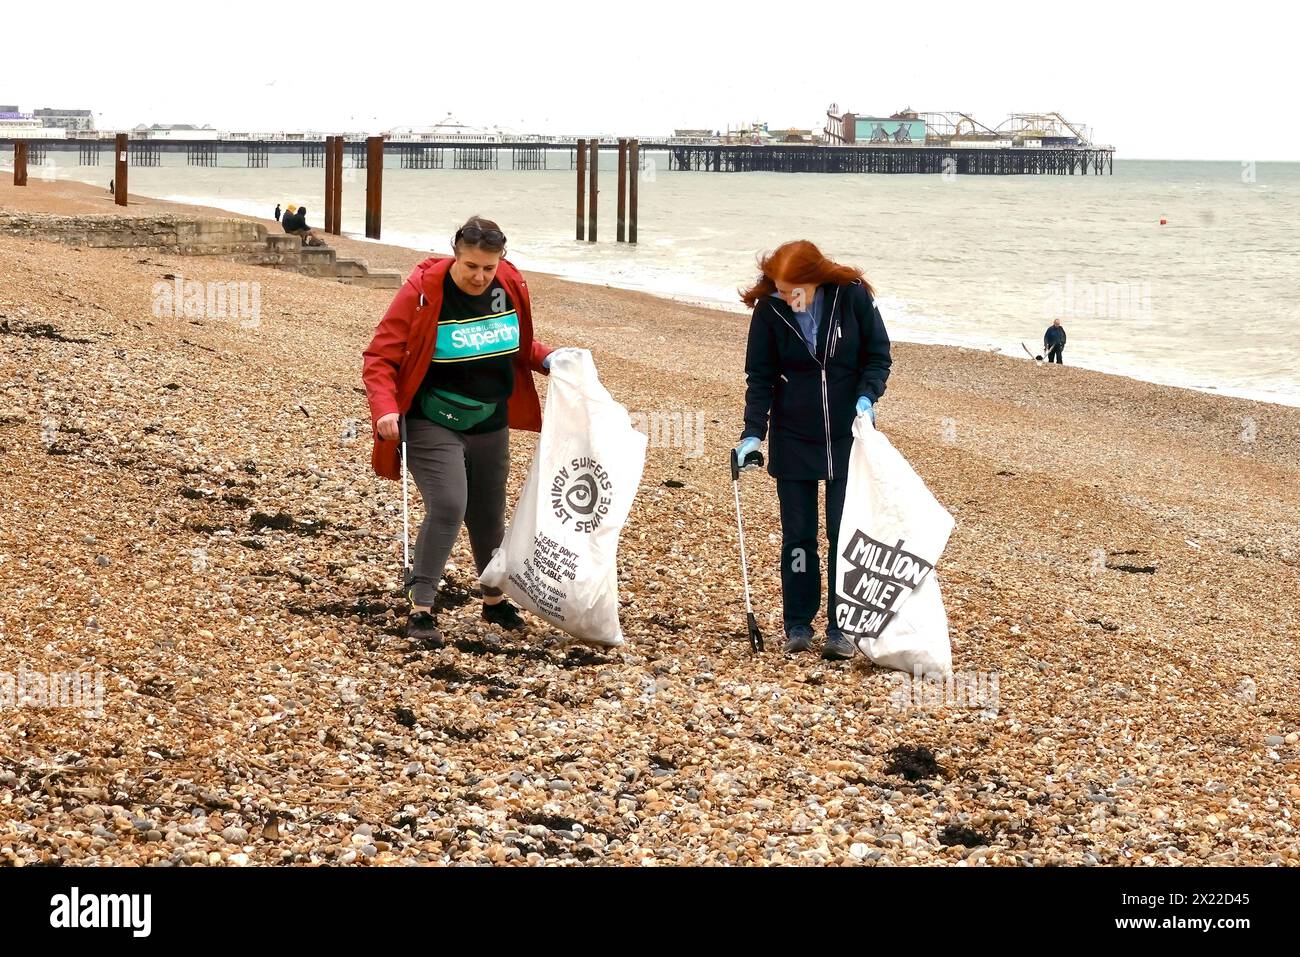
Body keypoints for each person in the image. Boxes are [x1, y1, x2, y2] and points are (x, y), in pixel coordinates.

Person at [362, 216, 573, 648]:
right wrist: (384, 409)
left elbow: (514, 343)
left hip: (489, 419)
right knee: (449, 505)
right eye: (470, 266)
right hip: (431, 418)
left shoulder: (508, 287)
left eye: (488, 268)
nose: (479, 277)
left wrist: (552, 359)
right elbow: (379, 357)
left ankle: (494, 598)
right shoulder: (422, 292)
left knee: (488, 513)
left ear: (501, 262)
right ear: (455, 255)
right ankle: (421, 608)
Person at [735, 240, 892, 659]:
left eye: (794, 291)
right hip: (793, 440)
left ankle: (841, 627)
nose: (788, 298)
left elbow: (878, 356)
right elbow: (760, 377)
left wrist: (867, 397)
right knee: (800, 541)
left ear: (816, 280)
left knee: (843, 536)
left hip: (847, 438)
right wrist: (753, 434)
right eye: (782, 290)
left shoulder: (852, 297)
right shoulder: (770, 311)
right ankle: (798, 624)